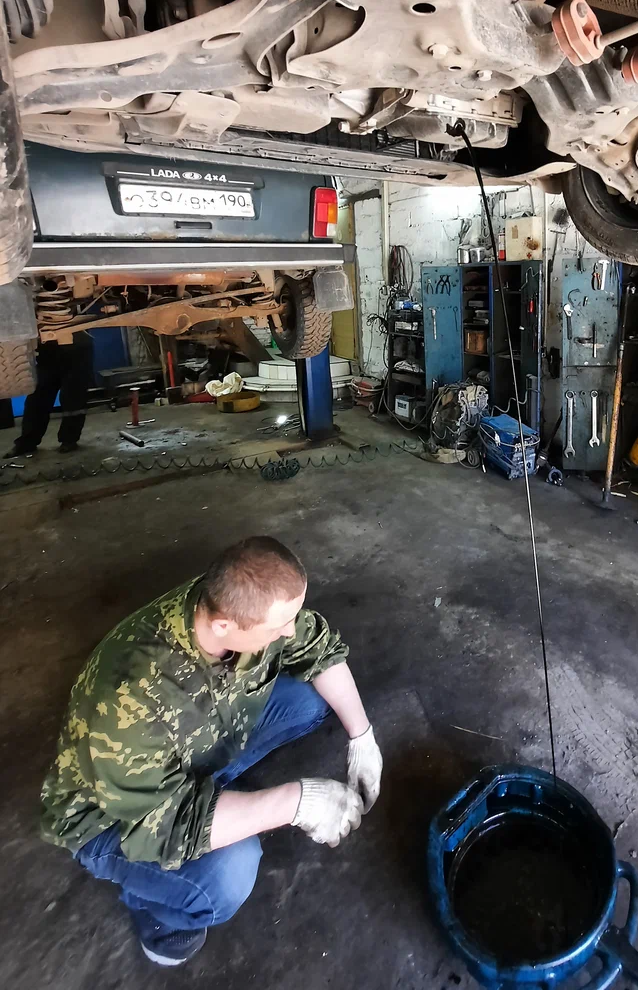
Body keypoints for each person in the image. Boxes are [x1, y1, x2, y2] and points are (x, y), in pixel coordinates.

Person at [39, 536, 383, 967]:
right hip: (117, 817)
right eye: (280, 624)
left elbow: (319, 647)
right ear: (224, 627)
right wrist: (294, 802)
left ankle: (217, 796)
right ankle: (155, 907)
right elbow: (164, 826)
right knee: (229, 871)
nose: (290, 630)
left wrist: (362, 737)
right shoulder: (128, 699)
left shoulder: (238, 607)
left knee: (311, 699)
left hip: (195, 745)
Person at [6, 331, 94, 456]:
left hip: (77, 349)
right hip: (47, 350)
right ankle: (27, 442)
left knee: (73, 398)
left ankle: (69, 440)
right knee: (37, 398)